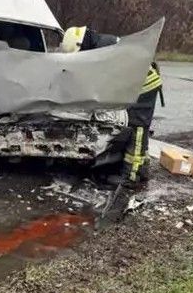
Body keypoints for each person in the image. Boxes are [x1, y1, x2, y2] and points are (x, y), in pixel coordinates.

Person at [61, 26, 163, 187]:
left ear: (81, 45)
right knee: (138, 130)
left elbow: (101, 80)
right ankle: (141, 170)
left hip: (143, 86)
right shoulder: (101, 43)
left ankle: (131, 176)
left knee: (137, 128)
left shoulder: (102, 49)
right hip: (139, 83)